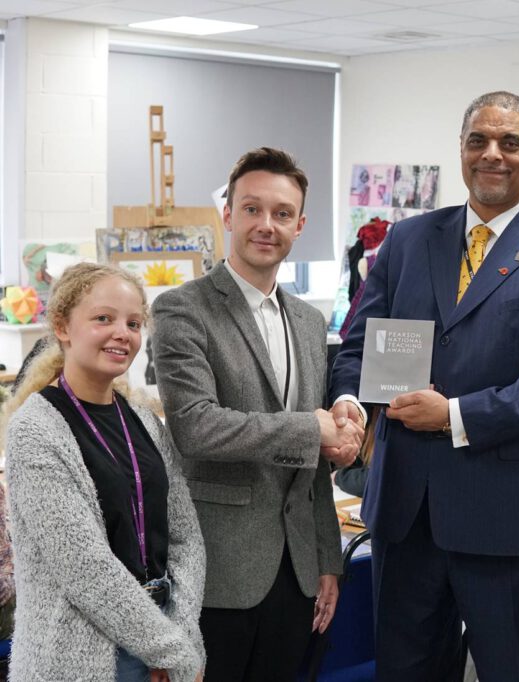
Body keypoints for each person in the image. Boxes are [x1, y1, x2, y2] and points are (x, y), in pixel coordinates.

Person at [330, 91, 519, 681]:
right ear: (461, 149)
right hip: (405, 515)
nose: (492, 154)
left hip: (507, 521)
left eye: (509, 143)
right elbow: (356, 345)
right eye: (478, 140)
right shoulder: (408, 241)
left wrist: (456, 414)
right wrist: (352, 404)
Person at [151, 147, 363, 681]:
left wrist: (327, 562)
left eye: (282, 213)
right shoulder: (182, 309)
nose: (266, 225)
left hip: (298, 575)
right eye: (252, 209)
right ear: (228, 214)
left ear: (300, 225)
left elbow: (311, 467)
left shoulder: (312, 324)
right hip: (219, 571)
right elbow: (196, 426)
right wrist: (308, 428)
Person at [2, 262, 205, 681]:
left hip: (162, 636)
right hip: (82, 656)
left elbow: (186, 536)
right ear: (62, 326)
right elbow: (86, 571)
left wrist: (179, 632)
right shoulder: (34, 430)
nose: (122, 333)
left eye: (133, 323)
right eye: (103, 319)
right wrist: (170, 649)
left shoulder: (145, 420)